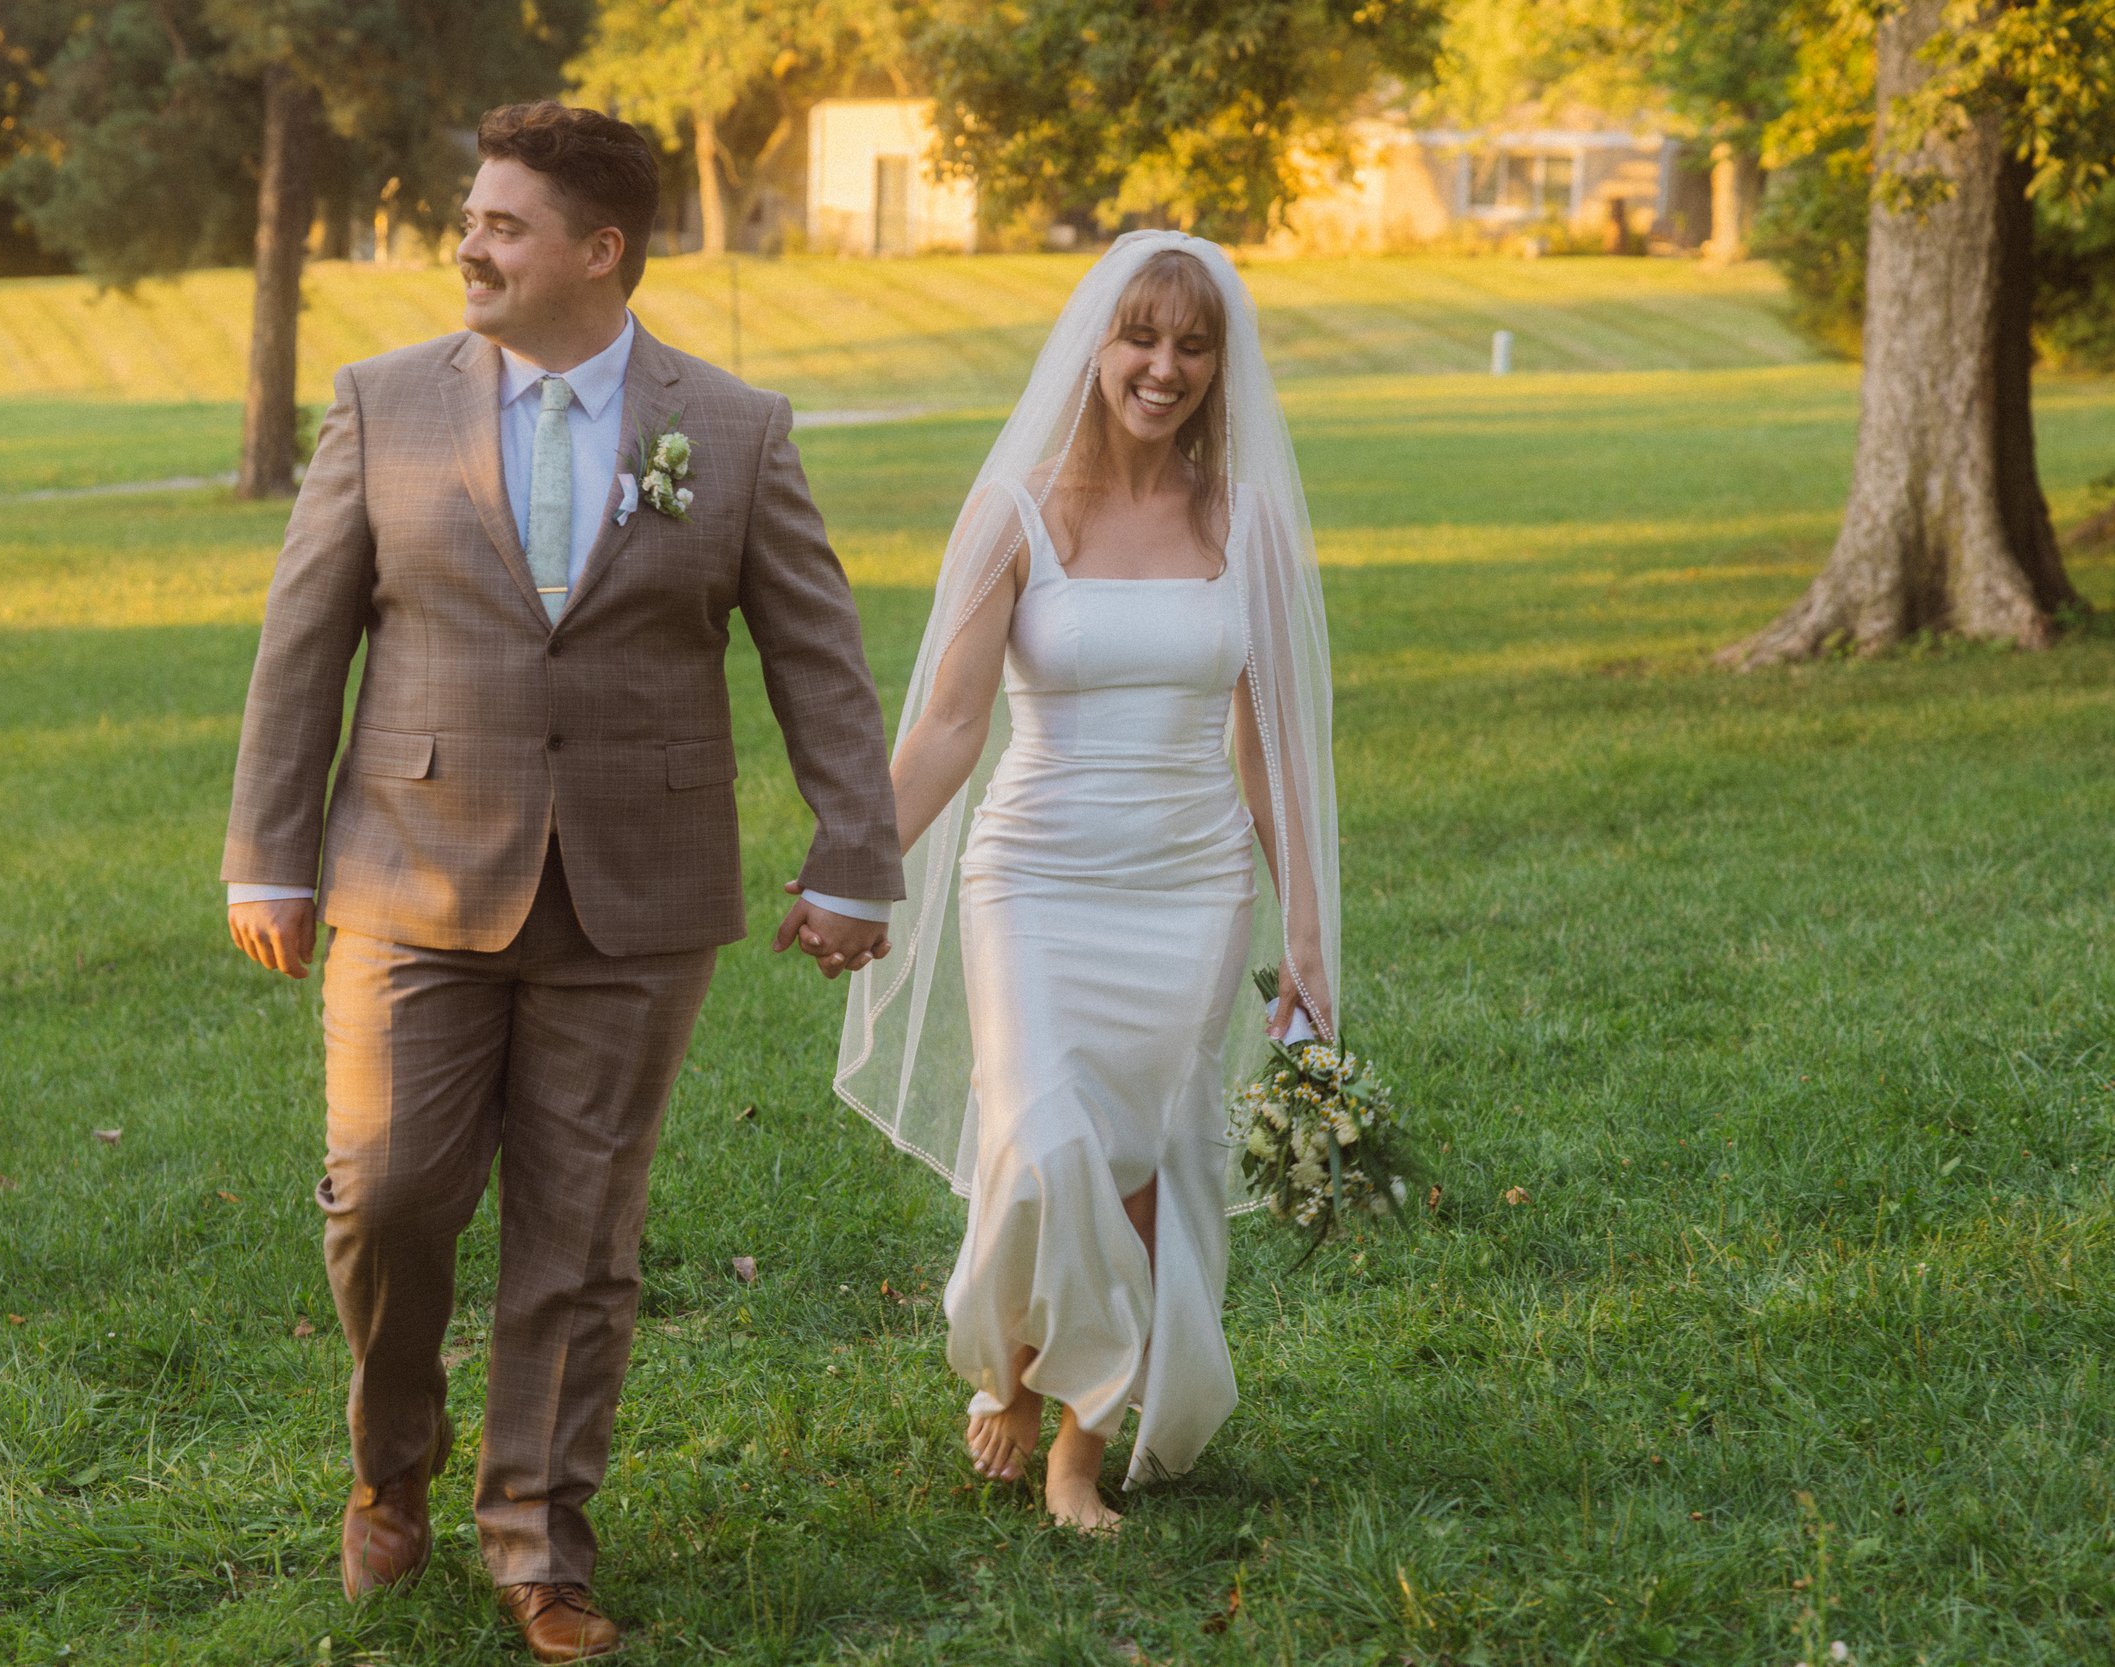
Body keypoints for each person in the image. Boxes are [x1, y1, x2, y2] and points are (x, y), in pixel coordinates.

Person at [221, 102, 901, 1663]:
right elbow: (301, 647)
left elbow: (819, 659)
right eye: (470, 218)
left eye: (504, 224)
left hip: (637, 897)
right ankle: (393, 1456)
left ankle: (538, 1542)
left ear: (601, 253)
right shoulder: (381, 406)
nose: (469, 244)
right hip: (407, 873)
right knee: (388, 1195)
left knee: (581, 1236)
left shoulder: (731, 429)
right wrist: (267, 853)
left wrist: (855, 855)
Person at [834, 233, 1340, 1532]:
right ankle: (1006, 1362)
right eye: (1140, 338)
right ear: (1095, 346)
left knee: (1138, 1164)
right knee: (1044, 1137)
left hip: (1190, 881)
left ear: (1221, 365)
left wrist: (1311, 937)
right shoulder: (1015, 510)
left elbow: (1272, 747)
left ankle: (1073, 1442)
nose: (1162, 368)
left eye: (1192, 344)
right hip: (1038, 876)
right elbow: (948, 727)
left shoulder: (1245, 522)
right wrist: (855, 867)